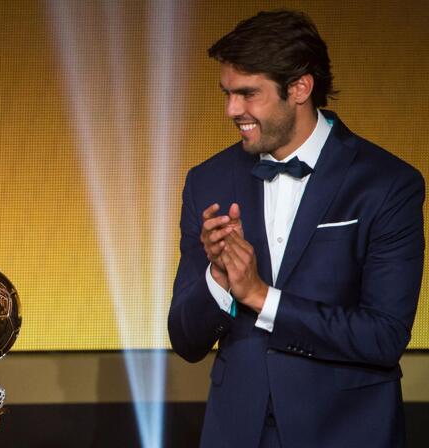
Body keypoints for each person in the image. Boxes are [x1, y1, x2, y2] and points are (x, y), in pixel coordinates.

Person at [168, 10, 424, 448]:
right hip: (238, 432)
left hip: (345, 432)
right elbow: (186, 341)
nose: (232, 110)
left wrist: (261, 297)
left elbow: (383, 336)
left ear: (300, 88)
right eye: (228, 93)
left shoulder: (386, 184)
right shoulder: (208, 181)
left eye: (248, 94)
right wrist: (219, 278)